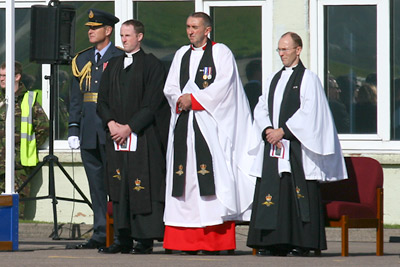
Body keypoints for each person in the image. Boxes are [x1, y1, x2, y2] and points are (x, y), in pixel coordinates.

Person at [246, 32, 348, 256]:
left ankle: (302, 243)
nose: (281, 53)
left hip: (297, 148)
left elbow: (311, 112)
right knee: (275, 192)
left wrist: (283, 131)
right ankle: (274, 242)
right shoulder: (273, 78)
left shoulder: (308, 78)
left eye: (286, 49)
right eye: (279, 49)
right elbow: (261, 107)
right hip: (274, 146)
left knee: (297, 192)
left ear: (298, 50)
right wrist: (267, 131)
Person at [163, 12, 256, 254]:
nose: (190, 31)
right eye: (187, 26)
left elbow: (225, 85)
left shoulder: (221, 52)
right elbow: (170, 86)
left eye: (195, 27)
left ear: (207, 30)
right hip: (184, 125)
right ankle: (184, 242)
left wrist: (194, 98)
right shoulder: (181, 54)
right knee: (185, 183)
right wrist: (180, 99)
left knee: (210, 181)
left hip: (210, 127)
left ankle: (215, 241)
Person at [97, 19, 169, 254]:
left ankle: (144, 238)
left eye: (128, 35)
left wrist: (130, 127)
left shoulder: (153, 65)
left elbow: (153, 102)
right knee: (119, 186)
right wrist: (111, 124)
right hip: (116, 137)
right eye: (122, 35)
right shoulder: (113, 65)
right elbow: (102, 100)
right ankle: (122, 237)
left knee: (142, 185)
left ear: (140, 37)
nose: (124, 39)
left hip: (142, 138)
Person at [68, 9, 124, 249]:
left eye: (95, 27)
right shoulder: (81, 59)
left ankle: (121, 233)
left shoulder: (120, 57)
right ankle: (100, 232)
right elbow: (75, 97)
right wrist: (73, 127)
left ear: (108, 30)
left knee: (118, 183)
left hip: (112, 129)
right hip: (89, 129)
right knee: (96, 185)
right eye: (89, 27)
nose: (90, 31)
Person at [0, 61, 49, 218]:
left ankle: (18, 242)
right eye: (0, 75)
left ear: (17, 77)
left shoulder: (28, 100)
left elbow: (44, 127)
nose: (1, 79)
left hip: (18, 164)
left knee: (16, 211)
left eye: (4, 76)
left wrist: (26, 146)